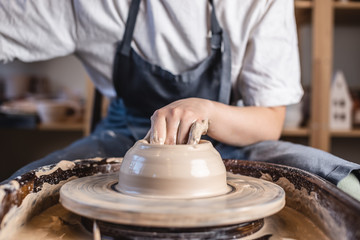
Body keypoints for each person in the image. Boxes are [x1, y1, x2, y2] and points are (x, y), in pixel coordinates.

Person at [1, 0, 359, 200]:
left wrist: (207, 111)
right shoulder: (94, 5)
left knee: (338, 181)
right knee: (22, 191)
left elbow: (270, 118)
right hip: (127, 141)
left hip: (231, 139)